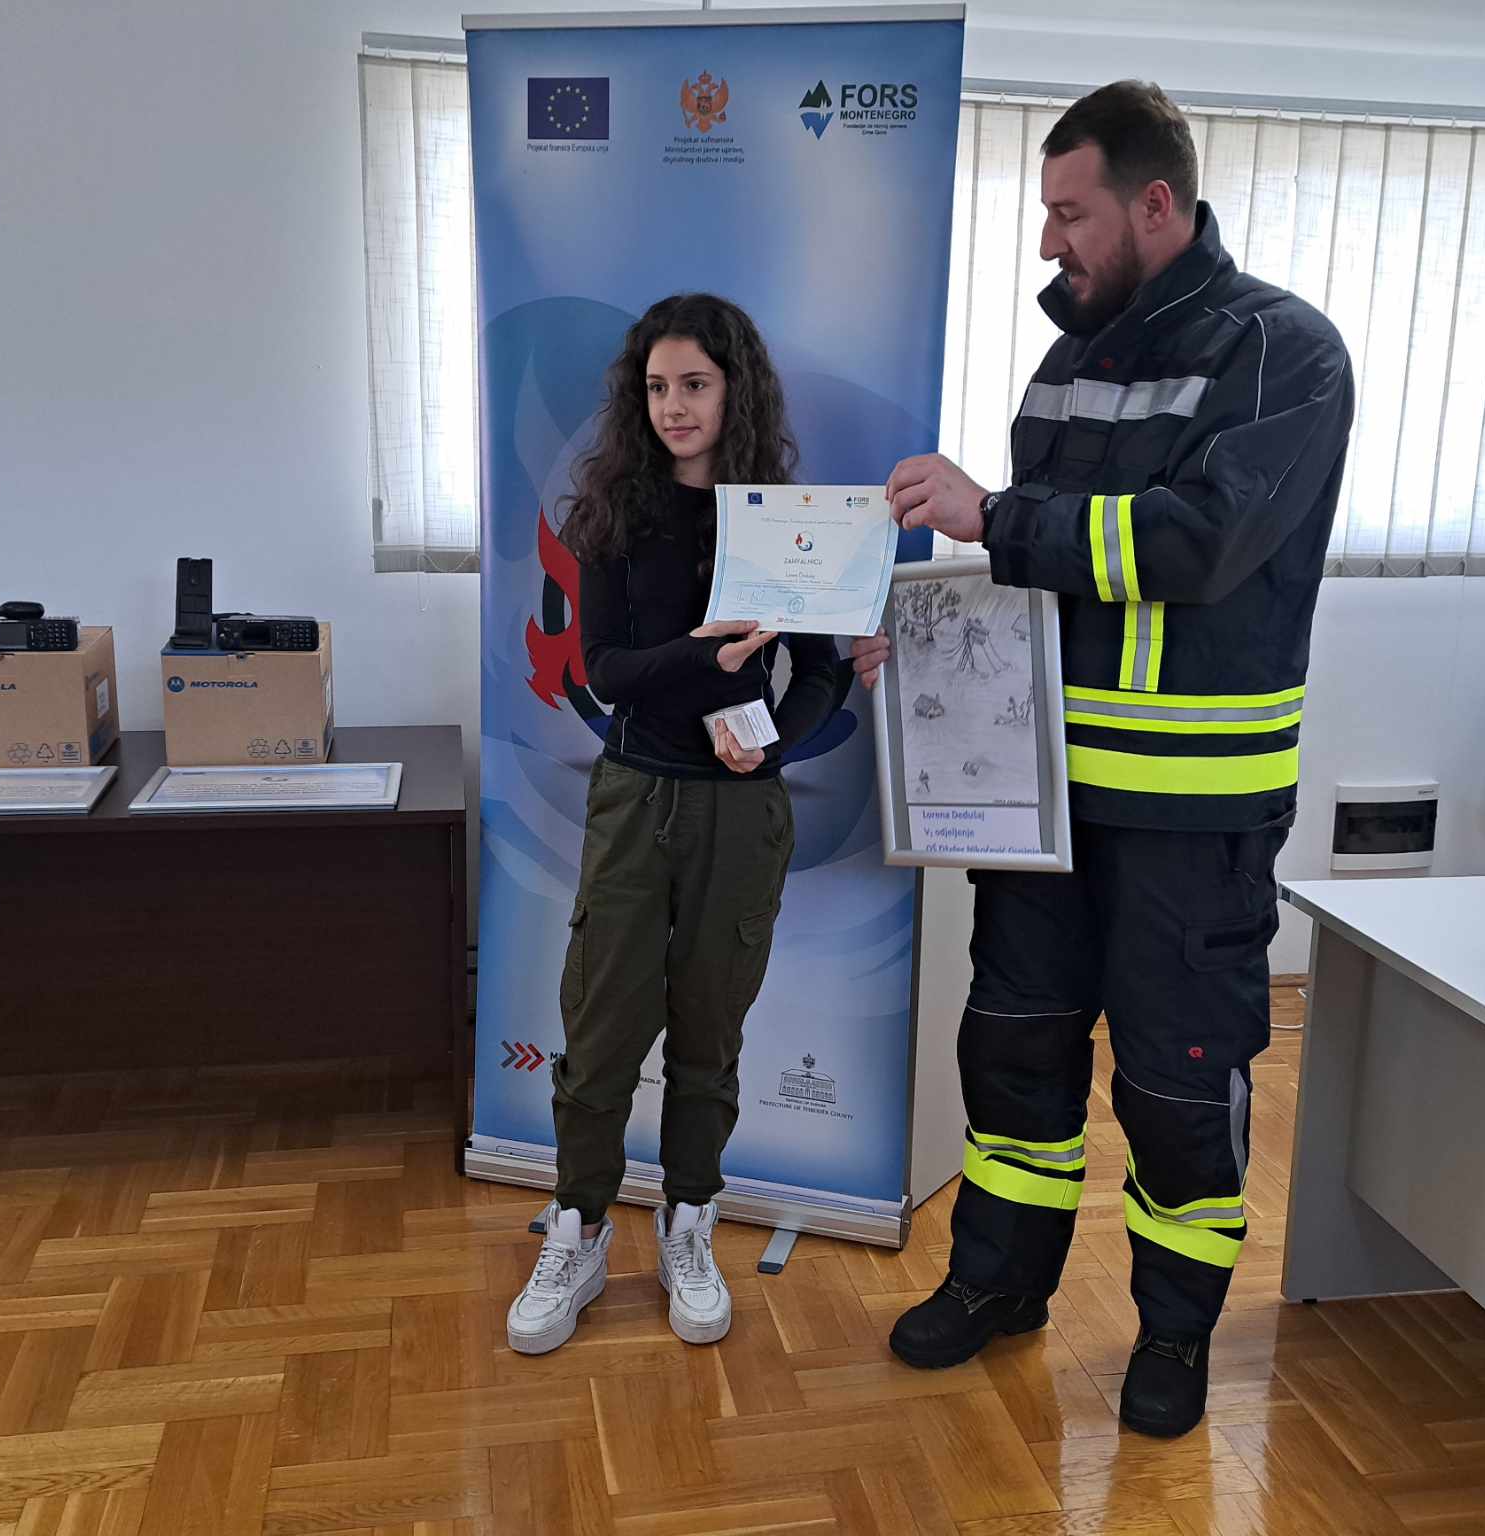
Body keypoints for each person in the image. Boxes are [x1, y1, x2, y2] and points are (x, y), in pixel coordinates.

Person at [850, 81, 1354, 1437]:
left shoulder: (1287, 354)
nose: (1048, 241)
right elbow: (1044, 581)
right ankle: (998, 1283)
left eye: (1069, 213)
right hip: (1039, 799)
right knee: (1012, 1058)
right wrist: (928, 647)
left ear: (1155, 202)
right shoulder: (1065, 363)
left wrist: (992, 517)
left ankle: (1174, 1334)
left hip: (1191, 814)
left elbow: (1191, 542)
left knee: (1180, 1085)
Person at [506, 294, 850, 1356]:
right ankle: (577, 1229)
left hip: (741, 809)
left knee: (709, 1034)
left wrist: (774, 744)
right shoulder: (611, 513)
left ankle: (687, 1223)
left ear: (735, 390)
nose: (673, 407)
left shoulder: (785, 520)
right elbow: (606, 673)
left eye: (694, 384)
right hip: (634, 798)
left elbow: (824, 674)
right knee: (602, 1028)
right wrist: (707, 653)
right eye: (656, 387)